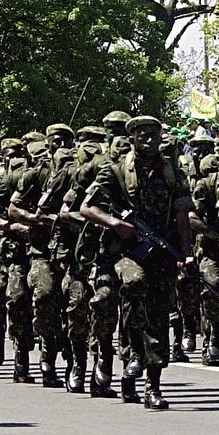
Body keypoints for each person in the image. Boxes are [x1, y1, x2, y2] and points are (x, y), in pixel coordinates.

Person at [81, 115, 196, 410]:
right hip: (124, 251)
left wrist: (186, 254)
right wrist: (115, 224)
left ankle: (151, 385)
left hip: (160, 252)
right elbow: (87, 207)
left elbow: (182, 217)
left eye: (154, 134)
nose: (149, 139)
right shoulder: (115, 169)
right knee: (134, 284)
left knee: (159, 315)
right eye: (142, 134)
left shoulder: (172, 171)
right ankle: (130, 352)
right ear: (130, 138)